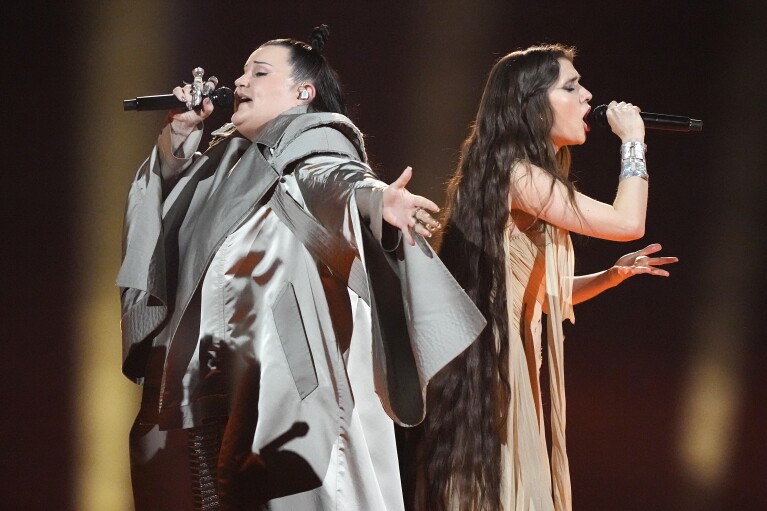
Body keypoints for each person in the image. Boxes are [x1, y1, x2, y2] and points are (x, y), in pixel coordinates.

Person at [117, 25, 485, 511]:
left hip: (272, 367)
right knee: (205, 487)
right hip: (207, 369)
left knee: (278, 486)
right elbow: (167, 224)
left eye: (259, 71)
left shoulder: (313, 144)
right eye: (243, 70)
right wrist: (181, 137)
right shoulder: (222, 160)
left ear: (303, 92)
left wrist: (378, 203)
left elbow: (340, 180)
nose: (241, 80)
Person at [417, 44, 678, 510]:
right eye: (571, 86)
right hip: (493, 368)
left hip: (512, 363)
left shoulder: (523, 174)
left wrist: (610, 277)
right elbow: (626, 223)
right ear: (531, 102)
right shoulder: (514, 173)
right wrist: (634, 140)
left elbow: (533, 295)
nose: (588, 96)